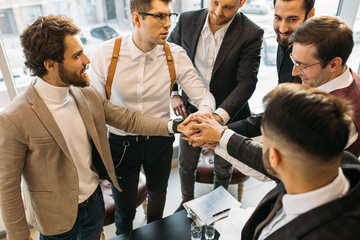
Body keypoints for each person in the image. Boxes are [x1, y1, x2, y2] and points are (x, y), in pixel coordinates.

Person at [0, 15, 182, 240]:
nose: (87, 59)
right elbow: (7, 186)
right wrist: (18, 236)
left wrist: (174, 125)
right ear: (50, 64)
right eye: (77, 55)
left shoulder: (85, 94)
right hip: (55, 219)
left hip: (94, 206)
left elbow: (128, 120)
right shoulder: (13, 118)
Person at [88, 0, 216, 235]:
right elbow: (96, 108)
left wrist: (203, 116)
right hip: (121, 143)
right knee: (124, 211)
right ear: (137, 19)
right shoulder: (106, 54)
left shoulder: (175, 55)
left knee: (158, 200)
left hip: (161, 141)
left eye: (170, 16)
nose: (168, 24)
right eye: (159, 16)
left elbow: (204, 97)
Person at [185, 83, 360, 239]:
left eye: (264, 140)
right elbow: (263, 161)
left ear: (274, 157)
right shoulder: (341, 161)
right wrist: (219, 139)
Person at [167, 0, 263, 209]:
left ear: (242, 2)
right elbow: (169, 56)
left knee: (223, 167)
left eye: (228, 6)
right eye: (215, 2)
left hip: (227, 116)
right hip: (190, 111)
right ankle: (186, 203)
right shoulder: (186, 20)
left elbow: (247, 82)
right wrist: (173, 91)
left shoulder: (251, 32)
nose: (218, 12)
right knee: (186, 165)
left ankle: (220, 202)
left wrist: (217, 118)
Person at [227, 0, 316, 138]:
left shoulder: (314, 61)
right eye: (278, 18)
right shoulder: (285, 40)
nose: (283, 28)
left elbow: (283, 114)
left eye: (292, 19)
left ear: (310, 14)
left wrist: (223, 132)